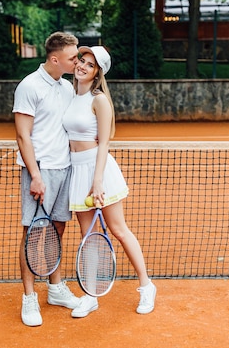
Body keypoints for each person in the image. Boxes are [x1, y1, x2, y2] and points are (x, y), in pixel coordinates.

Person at [63, 45, 157, 318]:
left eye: (90, 64)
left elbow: (104, 142)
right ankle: (90, 296)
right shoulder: (70, 95)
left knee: (118, 229)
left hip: (98, 170)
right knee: (88, 237)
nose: (82, 65)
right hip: (77, 171)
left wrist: (98, 180)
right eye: (82, 60)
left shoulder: (99, 99)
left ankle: (146, 286)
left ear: (97, 73)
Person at [12, 31, 81, 327]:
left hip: (65, 168)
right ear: (55, 59)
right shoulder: (29, 86)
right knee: (33, 235)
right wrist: (36, 176)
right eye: (72, 57)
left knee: (58, 231)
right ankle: (29, 297)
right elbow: (22, 135)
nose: (76, 61)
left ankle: (55, 288)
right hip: (39, 170)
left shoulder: (67, 87)